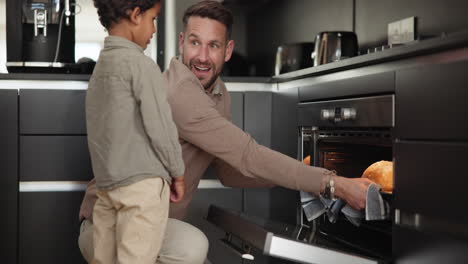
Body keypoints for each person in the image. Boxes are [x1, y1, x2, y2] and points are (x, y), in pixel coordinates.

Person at [78, 1, 373, 263]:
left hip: (152, 225)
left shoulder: (218, 94)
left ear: (228, 50)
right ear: (181, 43)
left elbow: (229, 171)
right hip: (114, 226)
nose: (202, 56)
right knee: (193, 247)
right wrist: (334, 185)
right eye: (195, 43)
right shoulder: (179, 93)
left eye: (214, 45)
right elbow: (247, 154)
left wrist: (288, 177)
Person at [86, 0, 185, 263]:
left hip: (107, 187)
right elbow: (161, 126)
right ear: (136, 14)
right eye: (153, 19)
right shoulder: (142, 66)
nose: (153, 30)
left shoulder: (101, 68)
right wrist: (177, 172)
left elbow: (98, 130)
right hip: (141, 188)